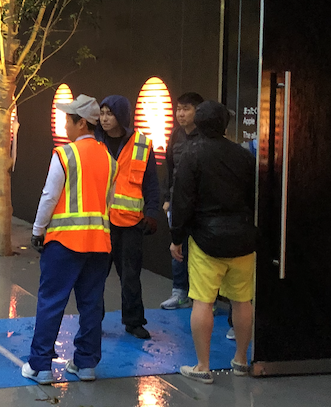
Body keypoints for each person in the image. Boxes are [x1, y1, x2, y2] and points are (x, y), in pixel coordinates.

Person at [24, 94, 116, 384]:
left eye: (68, 120)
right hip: (99, 244)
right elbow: (109, 202)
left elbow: (49, 196)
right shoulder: (109, 159)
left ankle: (41, 366)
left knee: (51, 302)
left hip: (64, 243)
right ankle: (86, 364)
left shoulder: (65, 155)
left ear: (82, 123)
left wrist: (38, 230)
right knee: (92, 305)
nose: (65, 125)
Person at [170, 101, 257, 384]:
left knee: (203, 302)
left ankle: (203, 366)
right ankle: (241, 360)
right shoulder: (244, 156)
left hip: (206, 240)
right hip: (243, 239)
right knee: (242, 300)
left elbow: (182, 201)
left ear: (198, 122)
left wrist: (177, 238)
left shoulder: (191, 154)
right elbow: (254, 197)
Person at [95, 95, 163, 340]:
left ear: (122, 116)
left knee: (131, 275)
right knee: (95, 276)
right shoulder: (94, 142)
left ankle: (134, 322)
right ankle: (93, 321)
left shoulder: (142, 145)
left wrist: (152, 213)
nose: (104, 119)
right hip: (99, 221)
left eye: (110, 113)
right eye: (102, 113)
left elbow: (151, 183)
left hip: (131, 223)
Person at [160, 92, 205, 310]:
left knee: (200, 253)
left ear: (198, 111)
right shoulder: (176, 135)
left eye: (186, 109)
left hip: (200, 205)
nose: (180, 114)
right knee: (177, 249)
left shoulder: (205, 136)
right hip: (177, 203)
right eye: (178, 109)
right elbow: (169, 168)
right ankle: (179, 292)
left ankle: (203, 297)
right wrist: (167, 198)